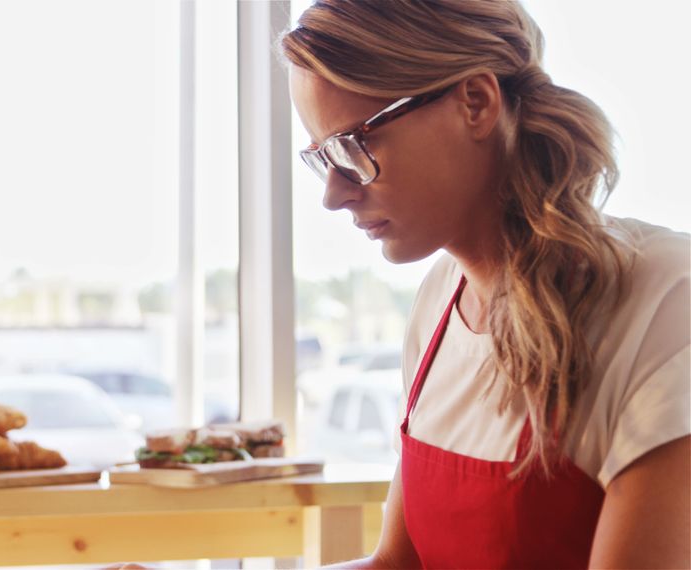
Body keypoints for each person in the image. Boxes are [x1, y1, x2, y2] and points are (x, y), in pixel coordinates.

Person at [281, 1, 689, 568]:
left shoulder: (664, 301)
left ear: (475, 102)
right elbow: (399, 565)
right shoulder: (438, 302)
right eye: (323, 156)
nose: (334, 193)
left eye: (354, 146)